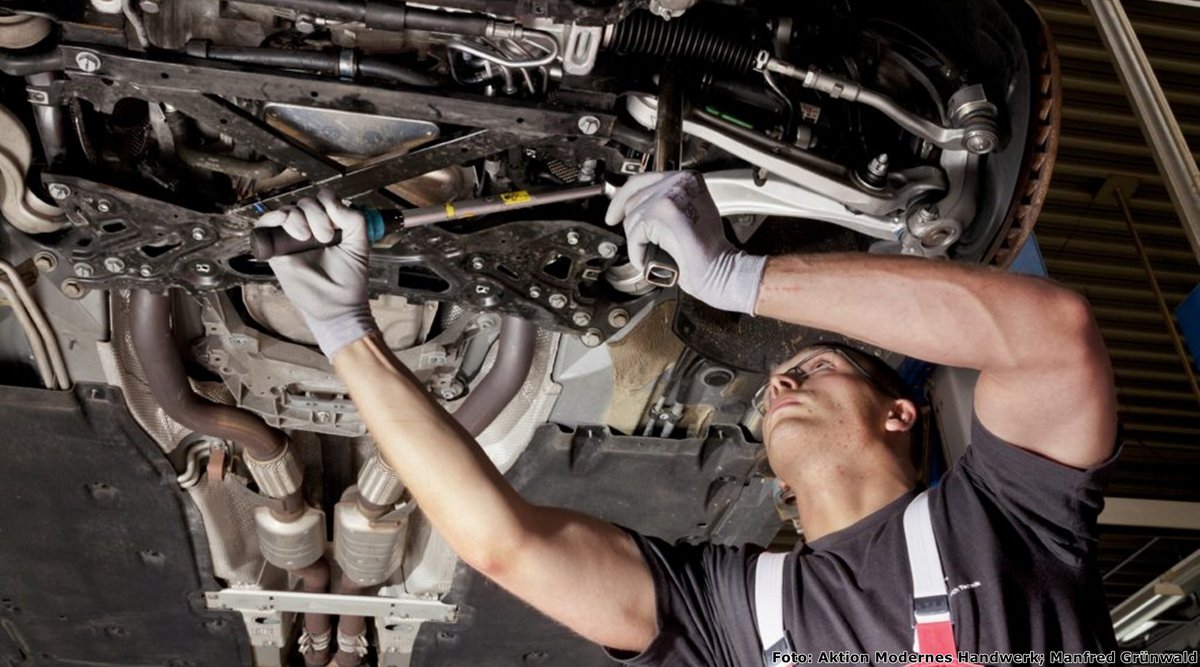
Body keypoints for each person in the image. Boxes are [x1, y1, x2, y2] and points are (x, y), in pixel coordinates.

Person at [259, 171, 1119, 665]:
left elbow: (503, 546)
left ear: (901, 412)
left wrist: (348, 336)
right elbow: (1057, 338)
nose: (779, 385)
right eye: (793, 371)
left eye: (809, 368)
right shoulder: (1007, 518)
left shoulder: (740, 617)